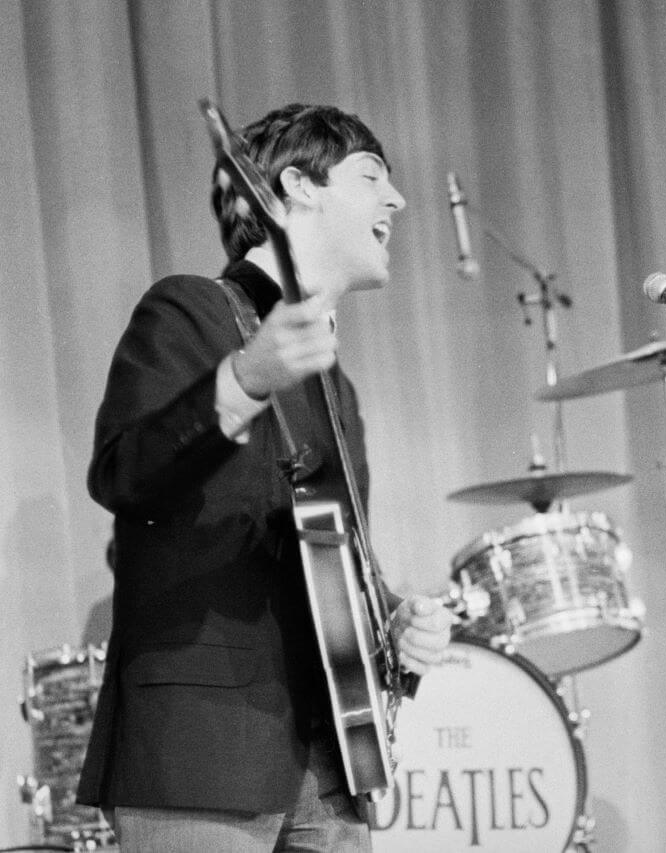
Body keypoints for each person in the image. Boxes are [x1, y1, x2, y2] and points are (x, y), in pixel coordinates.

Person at [76, 103, 456, 852]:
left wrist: (397, 624)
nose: (398, 200)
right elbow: (122, 473)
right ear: (298, 186)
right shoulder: (190, 309)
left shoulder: (335, 386)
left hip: (336, 765)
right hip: (202, 758)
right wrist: (244, 380)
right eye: (372, 176)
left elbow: (329, 565)